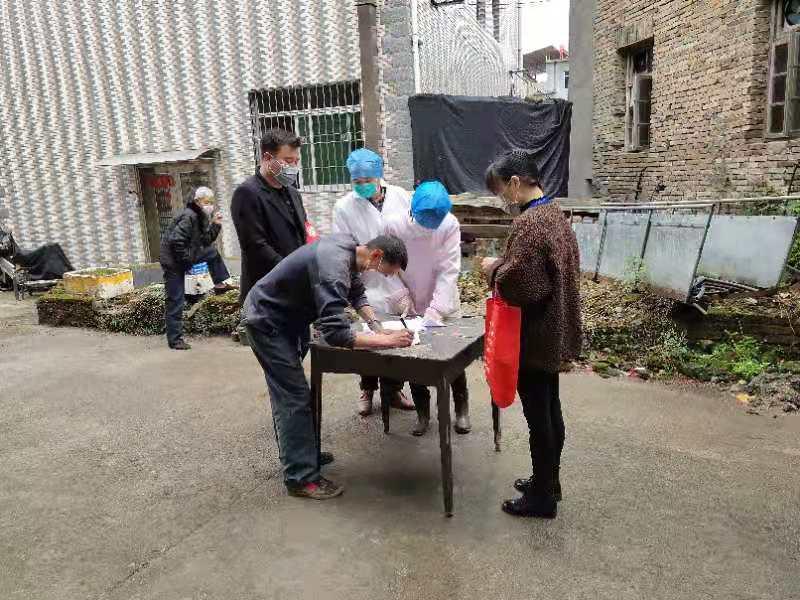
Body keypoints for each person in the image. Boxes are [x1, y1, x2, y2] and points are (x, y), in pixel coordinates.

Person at [243, 234, 414, 500]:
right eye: (384, 271)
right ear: (377, 255)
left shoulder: (350, 249)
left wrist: (376, 326)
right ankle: (301, 478)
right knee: (293, 397)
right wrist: (386, 341)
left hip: (290, 317)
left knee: (292, 394)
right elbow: (336, 334)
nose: (380, 274)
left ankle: (302, 455)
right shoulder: (334, 266)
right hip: (268, 321)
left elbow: (356, 292)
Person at [481, 149, 581, 519]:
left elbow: (523, 285)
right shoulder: (554, 213)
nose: (501, 199)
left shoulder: (530, 224)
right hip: (555, 327)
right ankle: (548, 482)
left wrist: (494, 269)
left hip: (536, 333)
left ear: (514, 182)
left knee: (540, 417)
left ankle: (542, 498)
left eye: (499, 190)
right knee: (550, 409)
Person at [383, 180, 471, 436]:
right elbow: (387, 266)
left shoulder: (449, 224)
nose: (428, 226)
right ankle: (423, 414)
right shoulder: (394, 225)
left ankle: (461, 409)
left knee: (453, 356)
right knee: (415, 358)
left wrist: (436, 309)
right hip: (410, 297)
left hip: (443, 299)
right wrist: (400, 296)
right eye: (424, 220)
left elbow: (449, 270)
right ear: (412, 209)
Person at [332, 148, 415, 416]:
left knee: (396, 335)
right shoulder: (344, 207)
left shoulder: (401, 197)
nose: (362, 185)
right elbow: (343, 248)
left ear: (379, 175)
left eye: (367, 180)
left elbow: (414, 234)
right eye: (357, 181)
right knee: (369, 338)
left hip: (397, 280)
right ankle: (367, 389)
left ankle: (394, 390)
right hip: (365, 282)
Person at [231, 128, 308, 305]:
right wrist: (292, 271)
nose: (293, 167)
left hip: (295, 289)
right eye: (288, 161)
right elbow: (256, 247)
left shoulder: (293, 193)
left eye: (296, 161)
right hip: (266, 293)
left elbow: (303, 233)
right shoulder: (247, 193)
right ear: (267, 158)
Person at [159, 187, 236, 350]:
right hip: (173, 263)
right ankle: (175, 340)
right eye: (206, 202)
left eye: (211, 202)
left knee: (211, 252)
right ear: (197, 202)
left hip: (184, 256)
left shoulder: (199, 217)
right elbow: (176, 241)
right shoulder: (189, 216)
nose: (209, 205)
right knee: (175, 299)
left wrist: (216, 225)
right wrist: (187, 264)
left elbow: (205, 241)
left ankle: (219, 284)